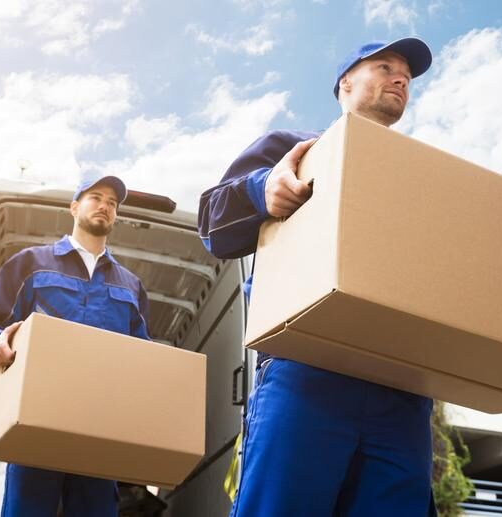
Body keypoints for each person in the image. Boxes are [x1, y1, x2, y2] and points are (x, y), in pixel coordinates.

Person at [198, 38, 437, 516]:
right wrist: (261, 189)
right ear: (345, 83)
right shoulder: (293, 149)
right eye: (386, 67)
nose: (400, 79)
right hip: (307, 371)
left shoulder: (424, 179)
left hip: (404, 390)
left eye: (406, 77)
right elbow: (211, 225)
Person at [0, 173, 150, 517]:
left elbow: (143, 358)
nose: (105, 206)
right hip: (35, 421)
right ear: (74, 207)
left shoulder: (131, 285)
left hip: (99, 428)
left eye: (112, 203)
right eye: (96, 197)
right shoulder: (31, 264)